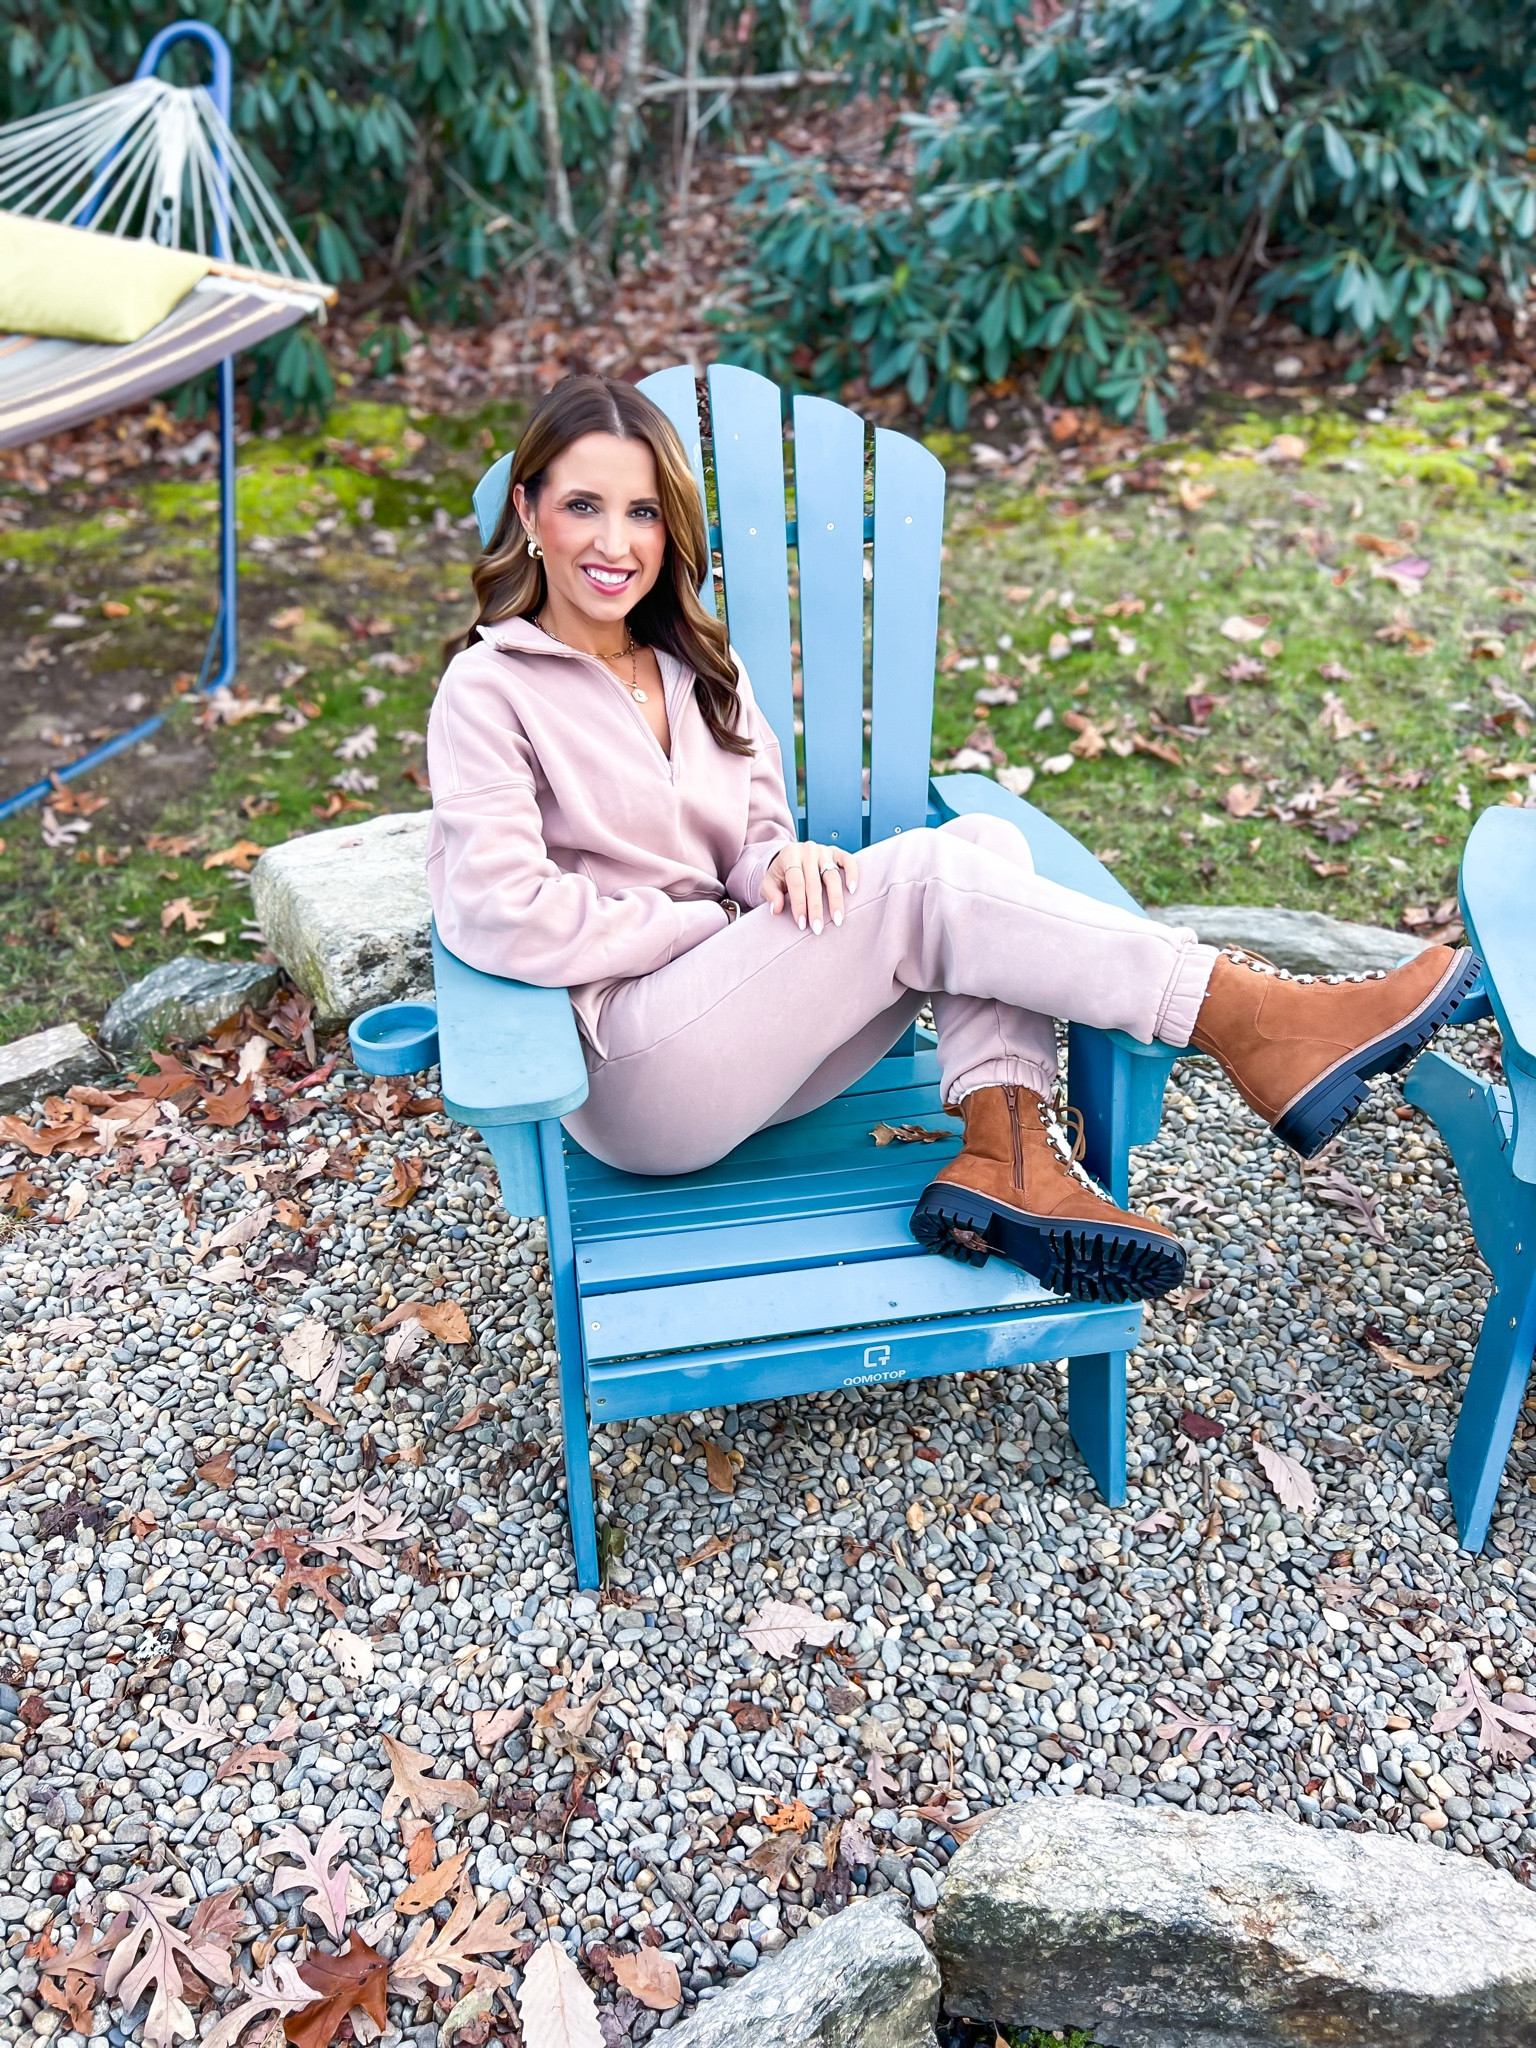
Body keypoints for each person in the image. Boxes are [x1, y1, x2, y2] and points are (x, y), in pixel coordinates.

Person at [427, 375, 1478, 1304]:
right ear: (528, 511)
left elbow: (750, 835)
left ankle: (1006, 1151)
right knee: (932, 874)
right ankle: (1261, 1019)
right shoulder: (490, 688)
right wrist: (695, 923)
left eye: (643, 511)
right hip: (628, 1074)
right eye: (583, 506)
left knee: (978, 840)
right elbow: (496, 908)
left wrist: (775, 864)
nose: (615, 543)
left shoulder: (702, 670)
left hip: (752, 1037)